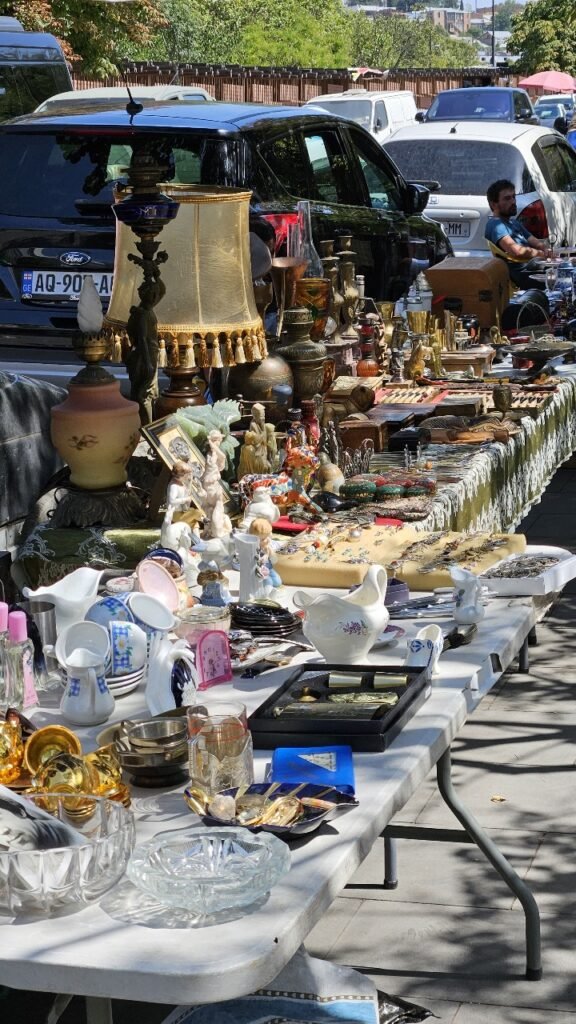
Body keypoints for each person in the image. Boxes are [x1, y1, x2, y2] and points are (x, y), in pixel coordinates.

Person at [485, 179, 552, 290]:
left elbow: (534, 241)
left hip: (535, 268)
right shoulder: (496, 224)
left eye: (513, 197)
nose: (513, 201)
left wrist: (546, 250)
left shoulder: (514, 223)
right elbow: (516, 250)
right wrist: (542, 254)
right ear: (494, 204)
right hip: (524, 275)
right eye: (507, 198)